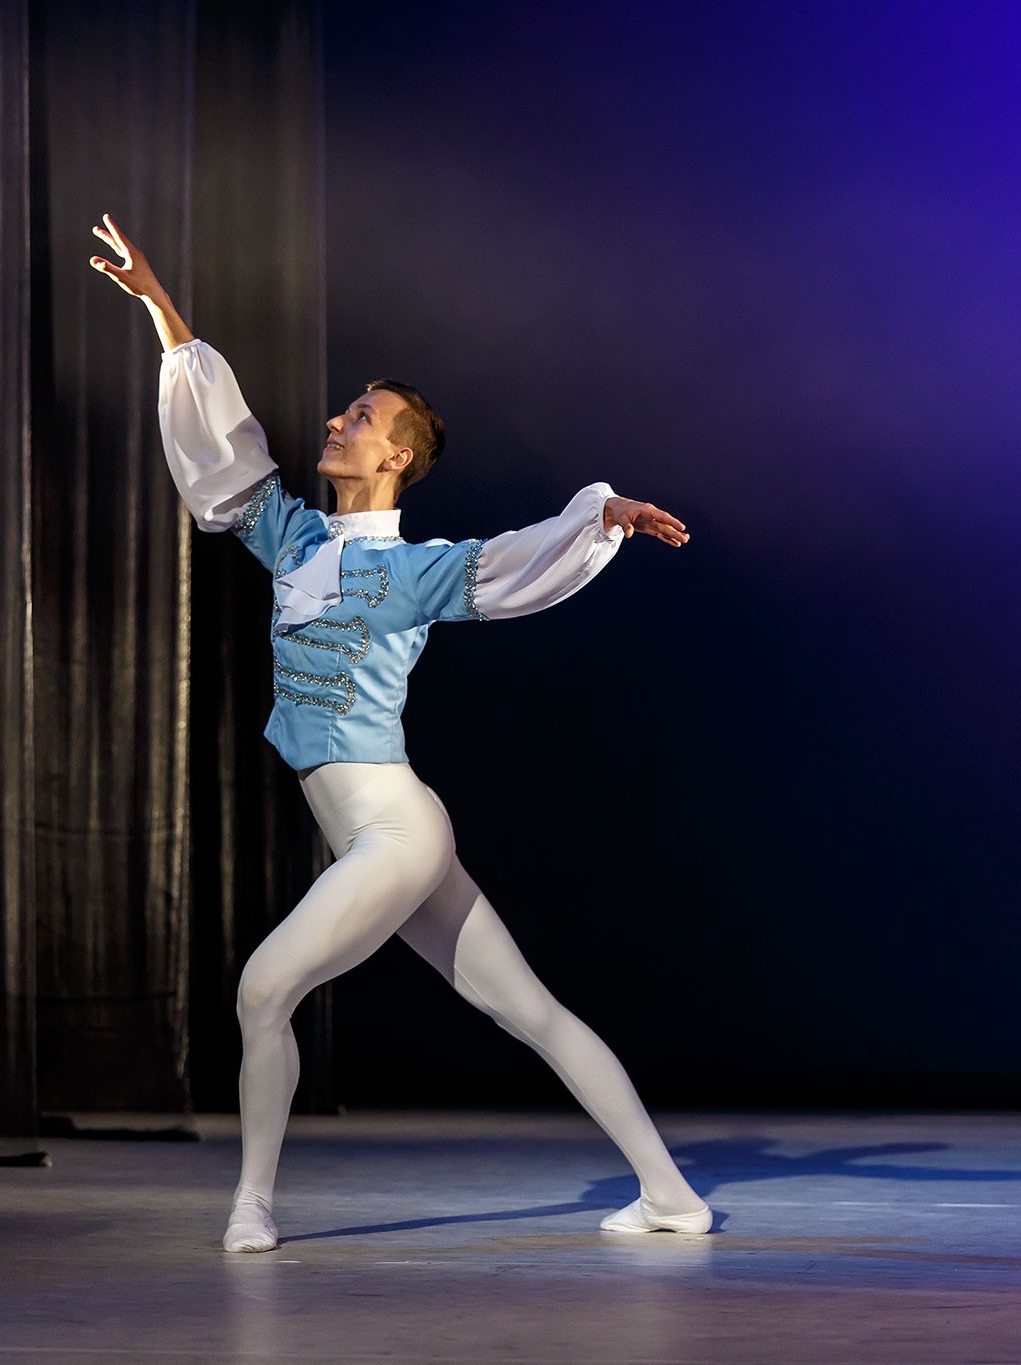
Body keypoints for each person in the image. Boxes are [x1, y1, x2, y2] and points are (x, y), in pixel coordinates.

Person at [89, 213, 711, 1252]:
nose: (338, 421)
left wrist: (600, 516)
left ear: (398, 454)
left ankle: (251, 1205)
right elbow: (220, 444)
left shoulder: (415, 569)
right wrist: (159, 305)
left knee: (262, 989)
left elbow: (514, 558)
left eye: (361, 416)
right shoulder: (291, 537)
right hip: (384, 832)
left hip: (395, 832)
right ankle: (671, 1195)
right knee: (532, 1013)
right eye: (345, 409)